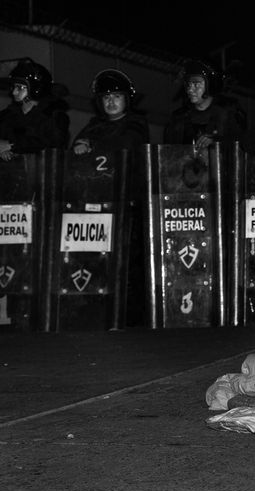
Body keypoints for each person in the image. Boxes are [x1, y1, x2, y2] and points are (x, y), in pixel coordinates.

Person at [72, 68, 151, 327]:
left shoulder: (136, 125)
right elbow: (75, 153)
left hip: (127, 209)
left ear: (127, 99)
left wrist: (92, 146)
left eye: (116, 96)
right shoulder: (94, 126)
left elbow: (126, 146)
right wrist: (80, 145)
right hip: (96, 208)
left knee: (127, 270)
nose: (110, 102)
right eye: (106, 97)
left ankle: (128, 322)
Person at [163, 59, 245, 149]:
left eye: (196, 84)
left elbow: (243, 144)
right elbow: (169, 153)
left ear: (210, 85)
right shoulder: (178, 118)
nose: (190, 90)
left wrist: (217, 141)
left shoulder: (229, 114)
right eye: (188, 84)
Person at [0, 58, 70, 161]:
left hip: (42, 173)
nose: (14, 92)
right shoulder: (7, 115)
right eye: (13, 87)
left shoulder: (54, 116)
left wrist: (12, 145)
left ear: (36, 88)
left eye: (20, 87)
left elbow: (52, 143)